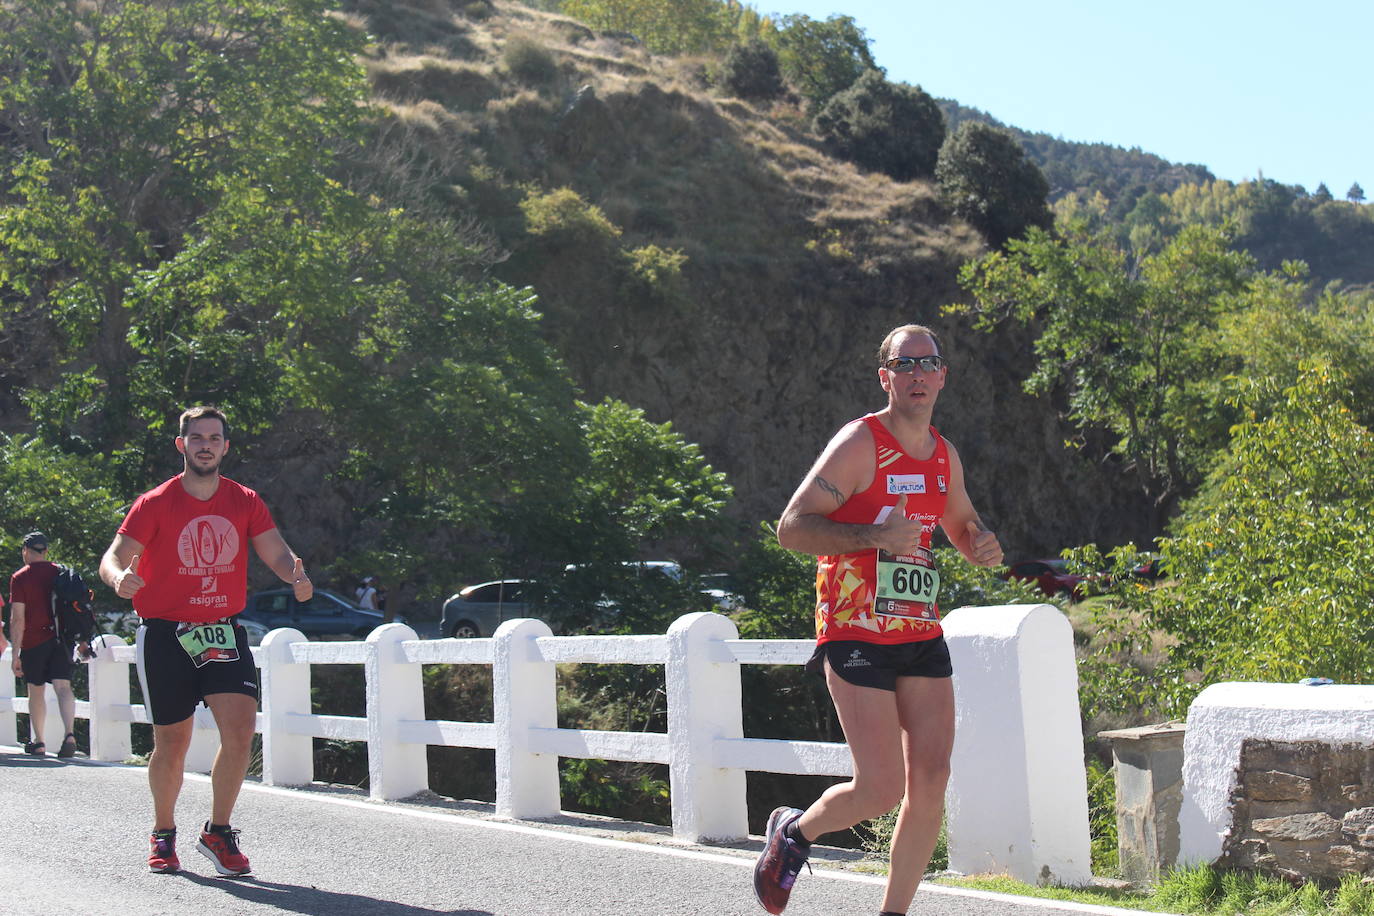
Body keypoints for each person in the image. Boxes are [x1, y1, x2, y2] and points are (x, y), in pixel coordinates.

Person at [754, 324, 1003, 916]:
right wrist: (874, 535)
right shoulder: (861, 442)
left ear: (943, 375)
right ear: (885, 376)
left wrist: (979, 543)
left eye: (929, 363)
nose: (918, 374)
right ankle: (794, 833)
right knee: (881, 788)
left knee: (932, 778)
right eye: (904, 364)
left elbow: (962, 524)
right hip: (855, 630)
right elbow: (792, 527)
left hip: (920, 633)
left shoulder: (945, 455)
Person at [99, 406, 313, 876]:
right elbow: (114, 557)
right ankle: (163, 832)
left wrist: (294, 574)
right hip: (165, 634)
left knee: (239, 729)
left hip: (221, 629)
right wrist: (119, 580)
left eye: (214, 438)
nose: (205, 445)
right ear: (181, 445)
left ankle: (218, 832)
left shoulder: (245, 500)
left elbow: (275, 550)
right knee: (172, 742)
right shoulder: (155, 503)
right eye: (196, 437)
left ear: (225, 447)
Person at [8, 531, 87, 758]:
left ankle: (39, 741)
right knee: (64, 688)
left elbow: (18, 618)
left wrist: (16, 653)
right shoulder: (61, 572)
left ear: (25, 551)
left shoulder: (21, 577)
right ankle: (70, 735)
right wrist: (81, 640)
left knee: (36, 690)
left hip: (34, 641)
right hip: (61, 640)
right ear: (46, 551)